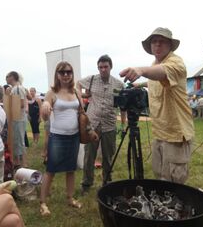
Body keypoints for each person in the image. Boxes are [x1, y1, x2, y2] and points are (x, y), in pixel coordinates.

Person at [119, 27, 194, 183]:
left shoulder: (176, 62)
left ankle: (176, 207)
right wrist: (139, 85)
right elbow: (154, 78)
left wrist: (140, 70)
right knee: (160, 176)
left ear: (170, 45)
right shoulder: (154, 64)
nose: (157, 45)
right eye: (154, 42)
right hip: (159, 133)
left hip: (176, 134)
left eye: (162, 42)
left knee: (174, 181)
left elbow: (163, 72)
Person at [39, 61, 95, 216]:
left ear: (72, 74)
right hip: (57, 137)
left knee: (71, 169)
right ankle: (43, 203)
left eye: (68, 72)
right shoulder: (52, 92)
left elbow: (82, 112)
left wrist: (88, 129)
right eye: (62, 72)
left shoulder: (76, 91)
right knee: (51, 170)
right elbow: (45, 113)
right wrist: (45, 108)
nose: (65, 75)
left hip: (74, 136)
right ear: (57, 75)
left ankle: (70, 198)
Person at [77, 54, 125, 192]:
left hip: (109, 124)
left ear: (111, 67)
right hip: (92, 124)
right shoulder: (92, 79)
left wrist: (122, 124)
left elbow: (123, 107)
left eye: (105, 67)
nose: (103, 69)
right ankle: (86, 184)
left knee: (108, 156)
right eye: (100, 67)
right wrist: (80, 96)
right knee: (89, 156)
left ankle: (107, 183)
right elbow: (78, 83)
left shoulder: (118, 84)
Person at [5, 71, 31, 168]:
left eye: (7, 76)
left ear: (12, 77)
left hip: (18, 117)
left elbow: (21, 104)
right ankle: (17, 162)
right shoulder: (14, 88)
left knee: (19, 140)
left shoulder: (18, 88)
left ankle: (23, 163)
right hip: (16, 117)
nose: (6, 78)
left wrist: (9, 107)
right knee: (16, 140)